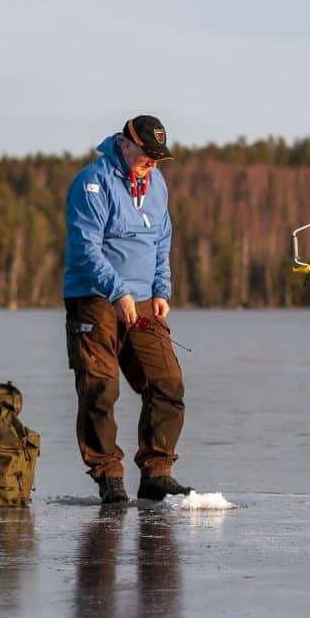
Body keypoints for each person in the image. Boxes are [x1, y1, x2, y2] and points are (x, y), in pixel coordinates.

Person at [63, 114, 193, 504]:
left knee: (167, 383)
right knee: (100, 388)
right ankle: (109, 477)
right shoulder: (94, 180)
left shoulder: (157, 184)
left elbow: (160, 241)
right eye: (146, 155)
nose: (151, 163)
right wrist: (117, 292)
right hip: (94, 299)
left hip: (142, 300)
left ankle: (157, 472)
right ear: (126, 144)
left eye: (157, 158)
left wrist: (161, 290)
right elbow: (86, 247)